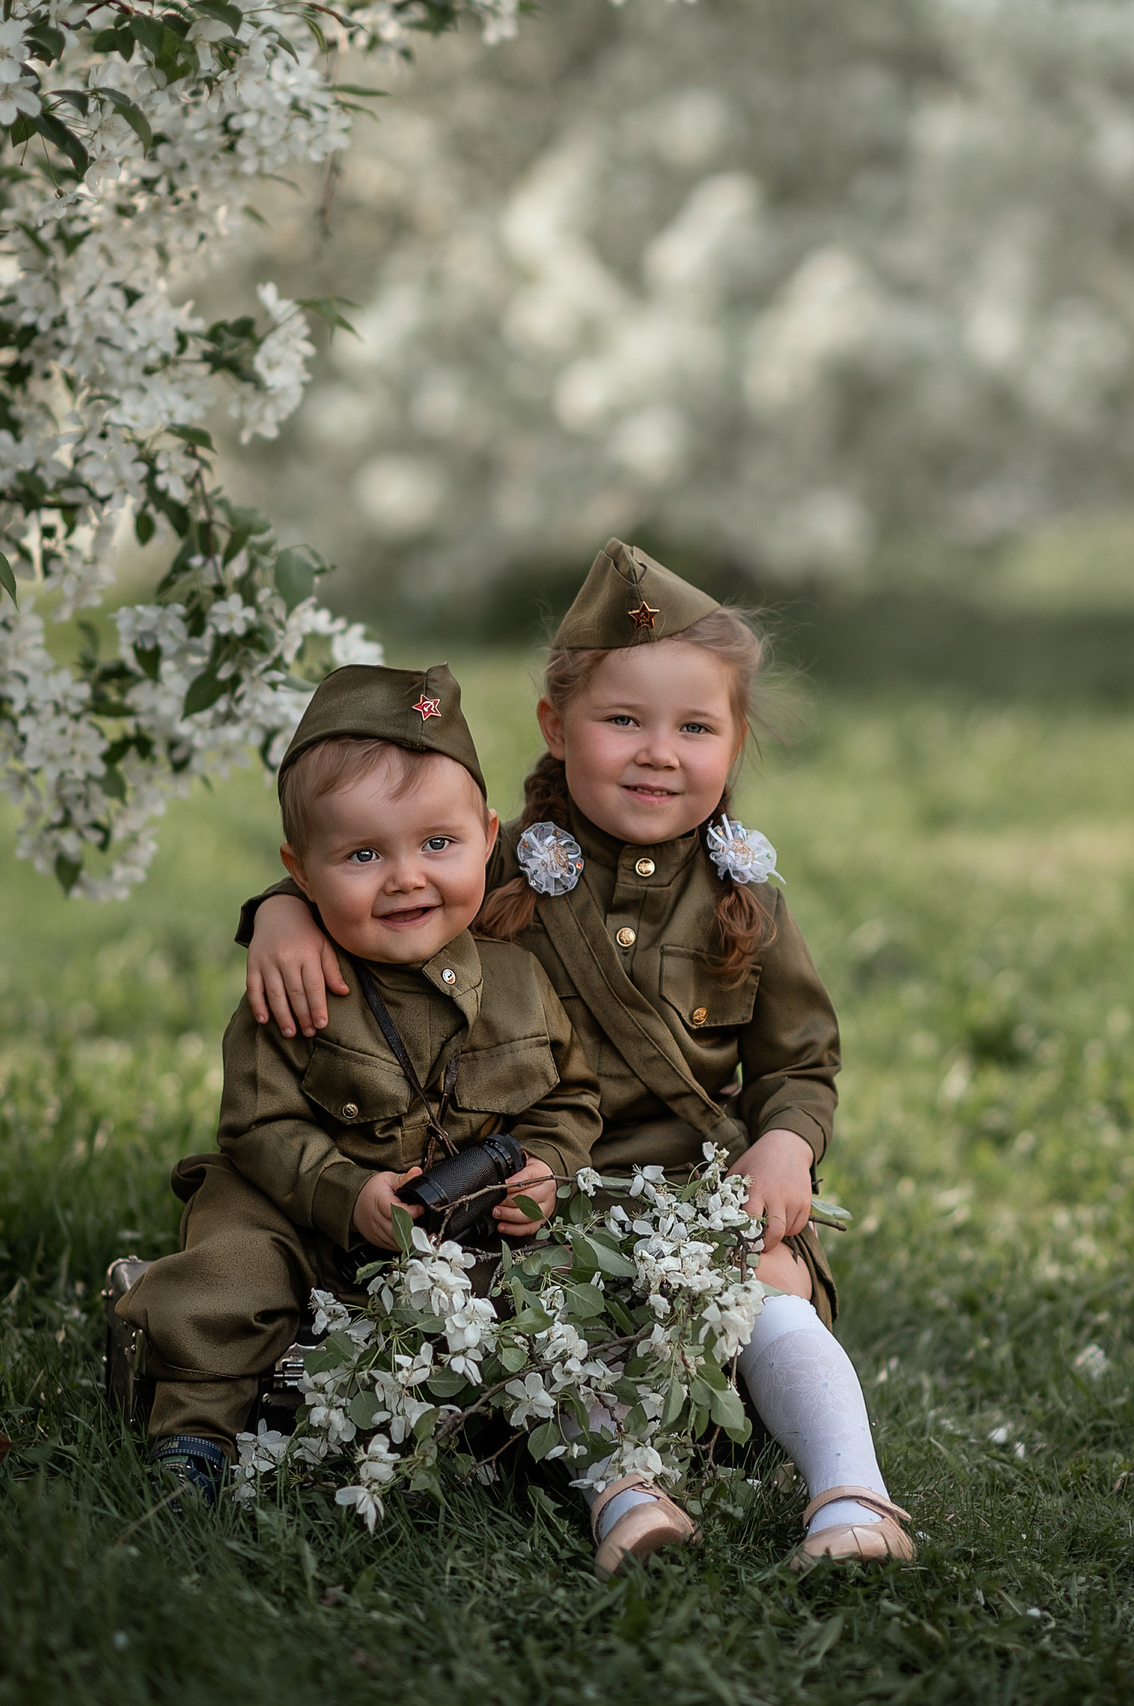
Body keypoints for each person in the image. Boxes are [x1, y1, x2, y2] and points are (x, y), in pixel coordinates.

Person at [238, 543, 914, 1569]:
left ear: (735, 743)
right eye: (622, 720)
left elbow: (801, 1058)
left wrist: (785, 1145)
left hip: (696, 1186)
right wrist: (281, 910)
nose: (656, 752)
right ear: (556, 728)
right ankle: (623, 1497)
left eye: (695, 726)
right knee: (529, 1307)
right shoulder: (492, 864)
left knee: (768, 1275)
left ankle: (852, 1499)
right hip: (535, 1191)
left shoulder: (748, 901)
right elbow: (384, 879)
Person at [114, 662, 601, 1523]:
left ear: (489, 836)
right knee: (227, 1276)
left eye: (438, 845)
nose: (406, 877)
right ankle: (192, 1437)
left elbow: (568, 1099)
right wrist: (345, 1195)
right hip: (299, 1208)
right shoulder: (301, 984)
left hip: (457, 1222)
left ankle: (534, 1446)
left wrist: (547, 1168)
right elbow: (258, 1125)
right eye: (364, 854)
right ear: (300, 871)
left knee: (547, 1298)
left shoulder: (522, 983)